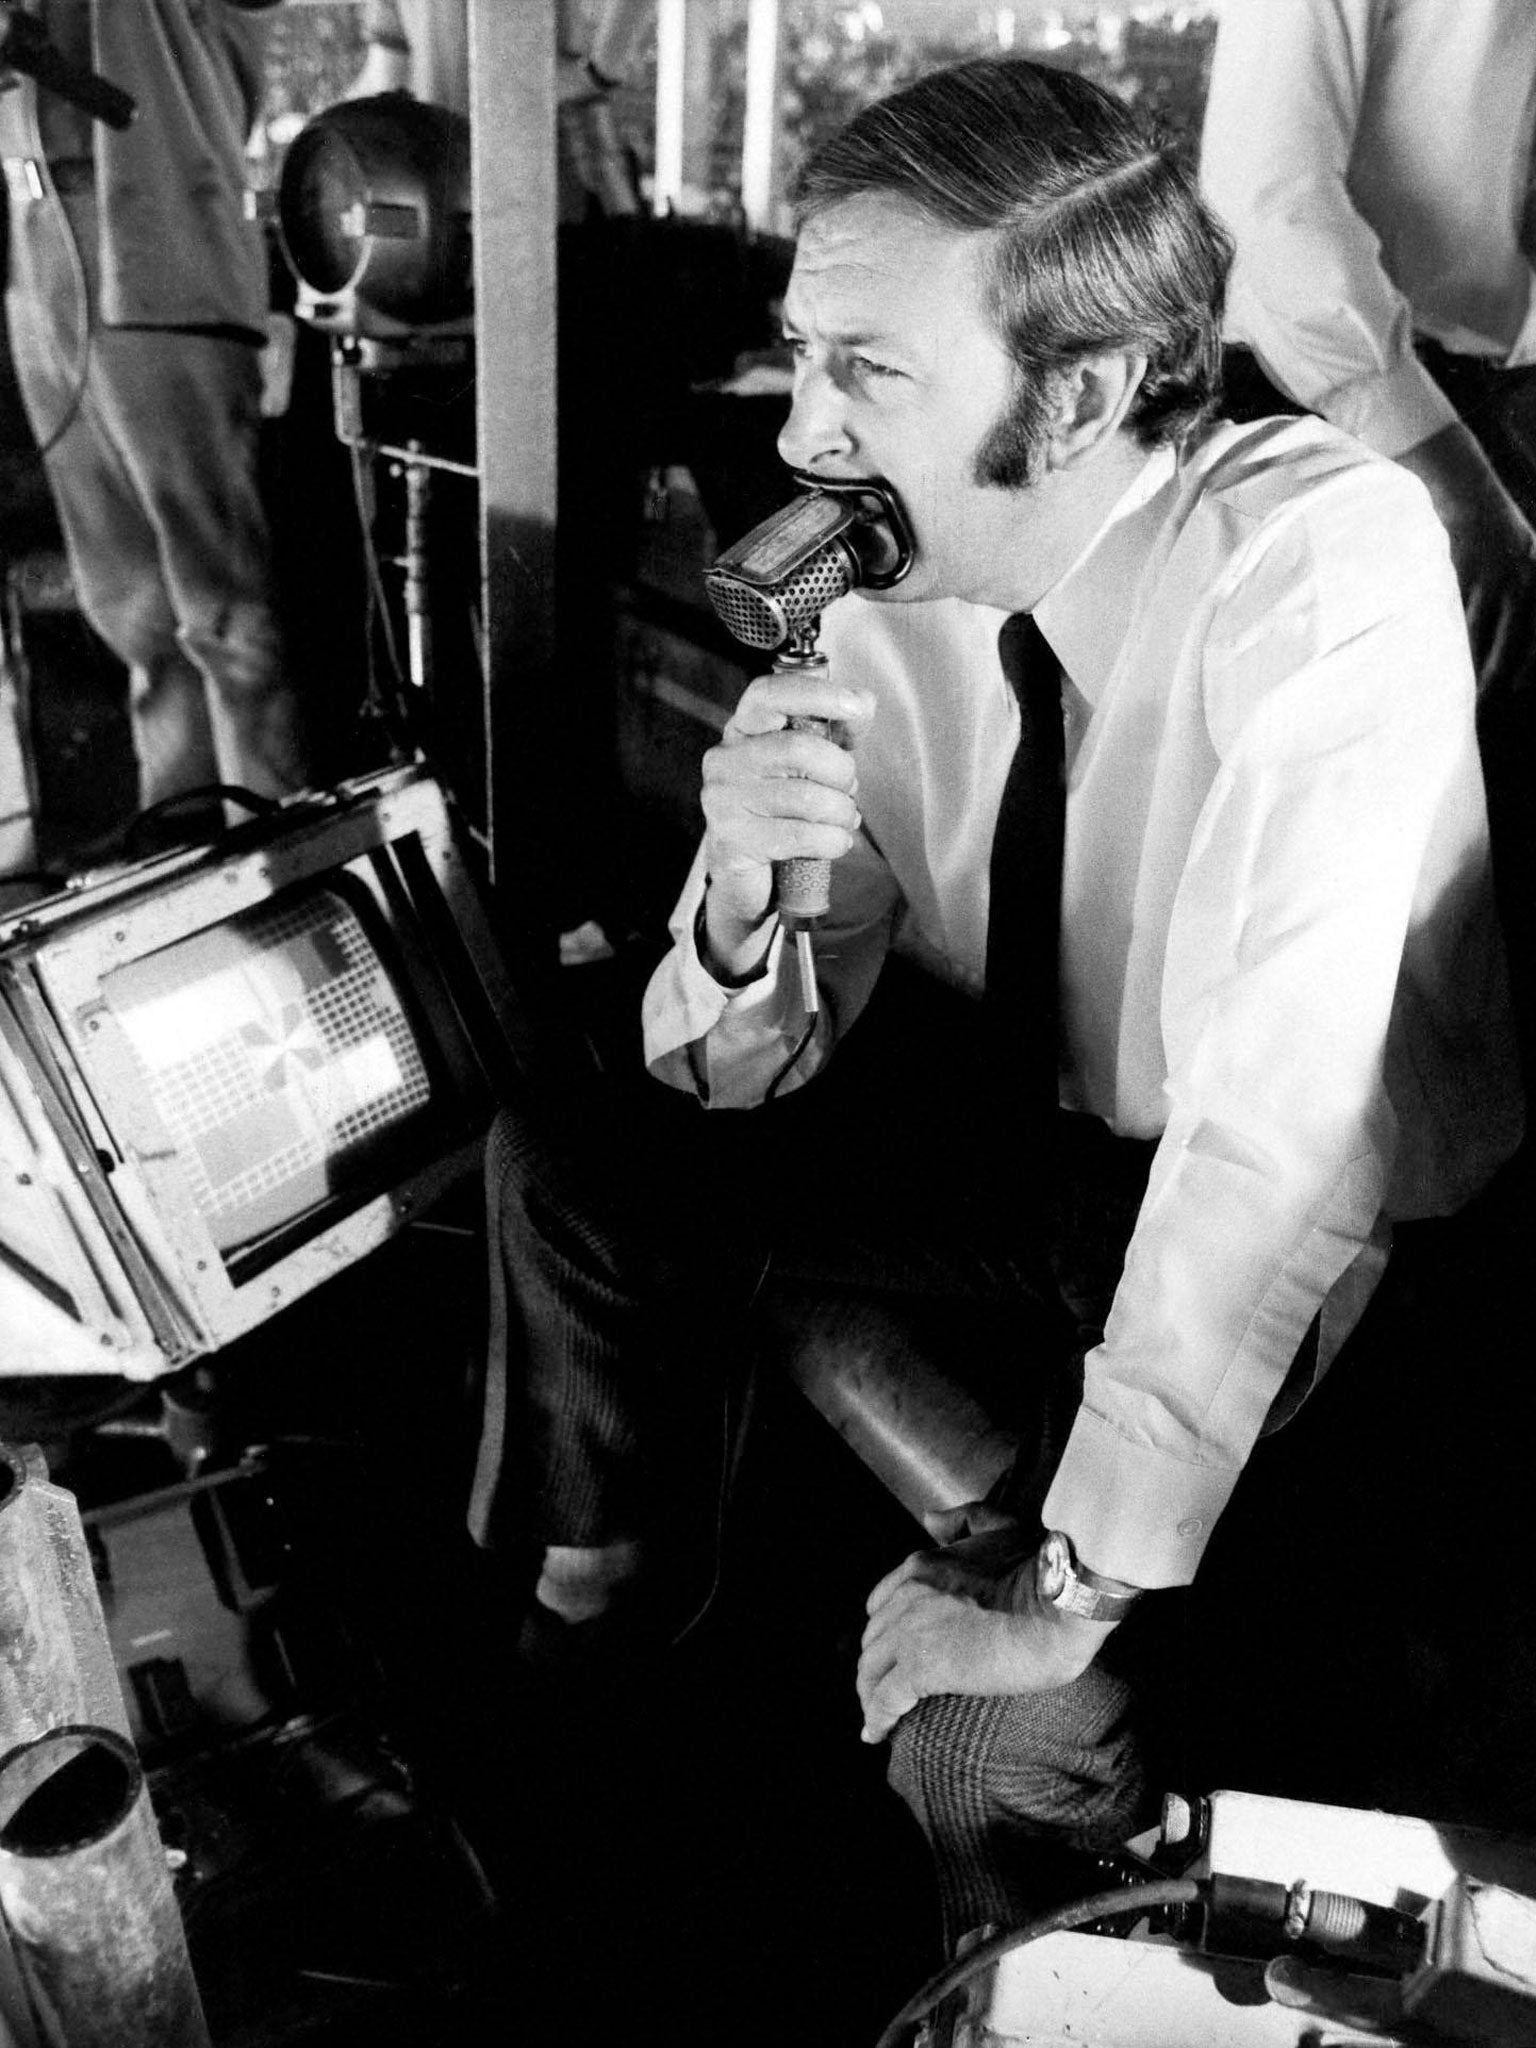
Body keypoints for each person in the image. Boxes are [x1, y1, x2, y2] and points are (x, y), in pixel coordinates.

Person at [475, 55, 1524, 1938]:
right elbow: (740, 1069)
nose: (800, 436)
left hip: (1330, 1258)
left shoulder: (1324, 555)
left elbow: (1280, 1126)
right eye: (798, 358)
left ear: (1090, 388)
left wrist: (1063, 1587)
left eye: (866, 373)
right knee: (569, 1149)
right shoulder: (884, 584)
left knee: (984, 1755)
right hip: (1036, 1165)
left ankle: (1038, 1852)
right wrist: (740, 899)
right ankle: (596, 1613)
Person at [1200, 0, 1536, 1062]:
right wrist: (1455, 480)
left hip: (1489, 404)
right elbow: (1268, 201)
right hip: (1359, 406)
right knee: (1371, 888)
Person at [0, 0, 307, 842]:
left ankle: (284, 866)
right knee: (130, 607)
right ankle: (183, 856)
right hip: (40, 246)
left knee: (224, 612)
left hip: (157, 237)